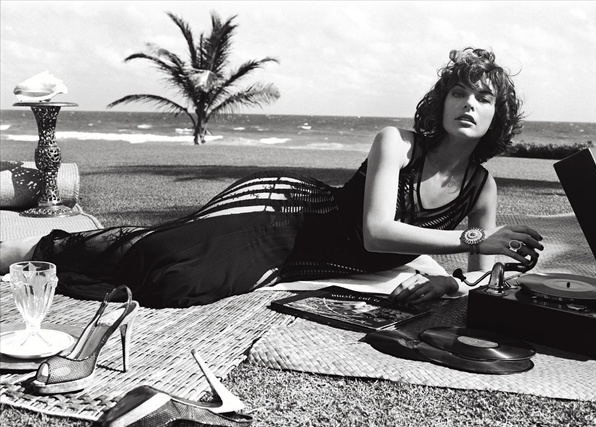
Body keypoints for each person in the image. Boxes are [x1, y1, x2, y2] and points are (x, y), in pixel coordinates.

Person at [0, 47, 543, 309]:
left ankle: (69, 246)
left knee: (174, 288)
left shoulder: (482, 188)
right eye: (458, 92)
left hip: (308, 265)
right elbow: (378, 232)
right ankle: (34, 248)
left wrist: (477, 276)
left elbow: (482, 279)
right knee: (167, 260)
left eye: (483, 98)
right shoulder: (397, 144)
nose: (469, 104)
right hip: (281, 221)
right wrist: (477, 240)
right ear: (441, 101)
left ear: (498, 115)